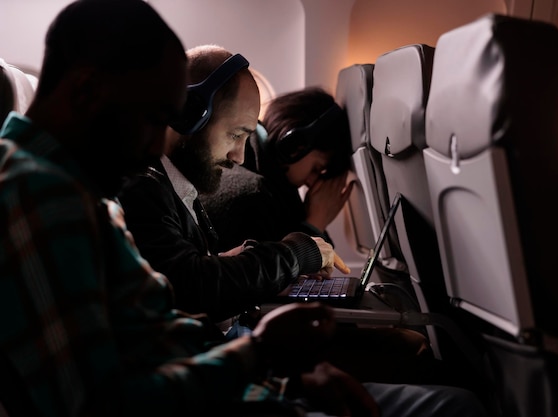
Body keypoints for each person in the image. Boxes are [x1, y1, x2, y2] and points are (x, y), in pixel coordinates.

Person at [0, 1, 490, 416]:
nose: (157, 149)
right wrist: (259, 353)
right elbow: (104, 403)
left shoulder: (79, 191)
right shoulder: (42, 198)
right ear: (86, 91)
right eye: (152, 121)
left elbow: (160, 331)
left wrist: (286, 377)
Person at [118, 45, 344, 327]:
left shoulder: (179, 186)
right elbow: (191, 287)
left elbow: (192, 267)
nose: (239, 157)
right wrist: (295, 253)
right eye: (235, 135)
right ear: (188, 115)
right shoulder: (141, 186)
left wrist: (242, 259)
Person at [201, 87, 354, 252]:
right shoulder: (251, 196)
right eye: (316, 169)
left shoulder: (273, 180)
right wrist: (315, 223)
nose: (311, 182)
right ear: (294, 144)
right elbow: (276, 274)